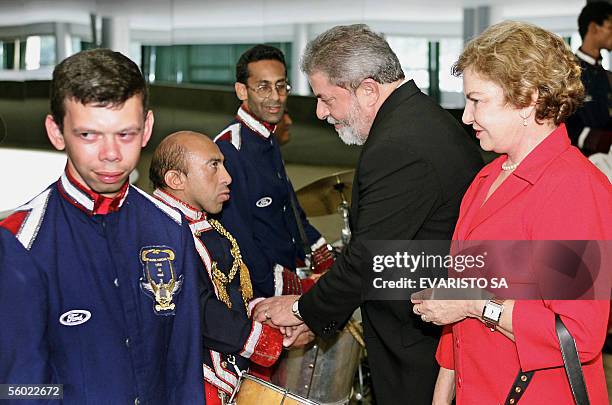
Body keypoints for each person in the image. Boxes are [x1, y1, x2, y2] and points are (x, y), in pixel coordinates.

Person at [254, 24, 483, 405]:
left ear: (368, 89)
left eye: (327, 98)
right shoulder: (418, 119)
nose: (320, 112)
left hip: (417, 344)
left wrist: (299, 309)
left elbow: (368, 258)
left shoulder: (398, 145)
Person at [410, 21, 612, 404]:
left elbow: (578, 334)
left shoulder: (573, 189)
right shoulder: (487, 178)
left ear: (529, 99)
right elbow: (458, 309)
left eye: (477, 100)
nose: (467, 117)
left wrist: (474, 303)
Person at [0, 49, 204, 404]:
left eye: (125, 134)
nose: (110, 153)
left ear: (147, 129)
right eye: (89, 135)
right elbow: (20, 388)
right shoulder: (20, 243)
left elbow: (184, 370)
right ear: (57, 131)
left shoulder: (171, 227)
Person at [149, 131, 310, 404]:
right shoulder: (154, 229)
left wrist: (268, 314)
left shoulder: (207, 225)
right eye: (213, 166)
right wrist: (266, 339)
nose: (227, 177)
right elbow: (194, 309)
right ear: (175, 179)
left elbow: (232, 293)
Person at [214, 44, 333, 299]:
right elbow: (237, 241)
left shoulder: (268, 136)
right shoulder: (229, 150)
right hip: (259, 291)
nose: (276, 96)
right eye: (264, 87)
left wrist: (323, 253)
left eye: (281, 86)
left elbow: (289, 208)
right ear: (241, 91)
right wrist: (288, 288)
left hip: (287, 272)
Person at [566, 1, 612, 156]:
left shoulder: (607, 76)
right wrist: (601, 140)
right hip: (579, 160)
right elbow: (565, 125)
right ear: (593, 27)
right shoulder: (568, 72)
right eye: (610, 27)